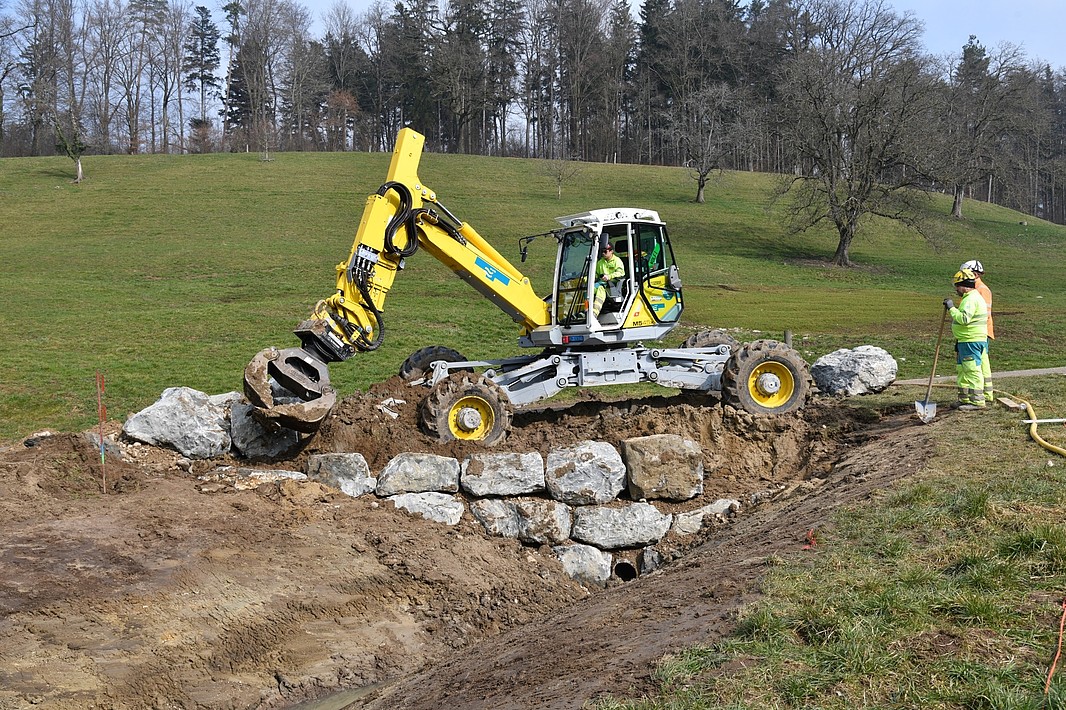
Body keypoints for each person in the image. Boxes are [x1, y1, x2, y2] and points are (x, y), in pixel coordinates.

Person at [944, 268, 989, 411]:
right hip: (966, 340)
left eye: (957, 286)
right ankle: (964, 398)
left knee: (972, 370)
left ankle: (977, 402)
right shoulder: (972, 298)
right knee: (962, 370)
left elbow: (964, 319)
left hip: (970, 340)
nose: (956, 289)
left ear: (963, 285)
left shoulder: (971, 299)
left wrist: (951, 308)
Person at [960, 259, 994, 404]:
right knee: (977, 364)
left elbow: (982, 314)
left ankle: (983, 395)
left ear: (974, 273)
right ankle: (982, 394)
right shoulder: (974, 289)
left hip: (978, 333)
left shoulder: (980, 290)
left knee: (978, 365)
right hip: (975, 332)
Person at [592, 241, 625, 318]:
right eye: (602, 251)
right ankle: (585, 311)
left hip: (614, 286)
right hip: (602, 283)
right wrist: (587, 279)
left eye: (605, 251)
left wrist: (609, 276)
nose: (603, 253)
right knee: (589, 289)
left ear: (611, 251)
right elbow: (596, 274)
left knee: (600, 289)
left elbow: (621, 273)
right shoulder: (600, 262)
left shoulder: (617, 261)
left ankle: (594, 313)